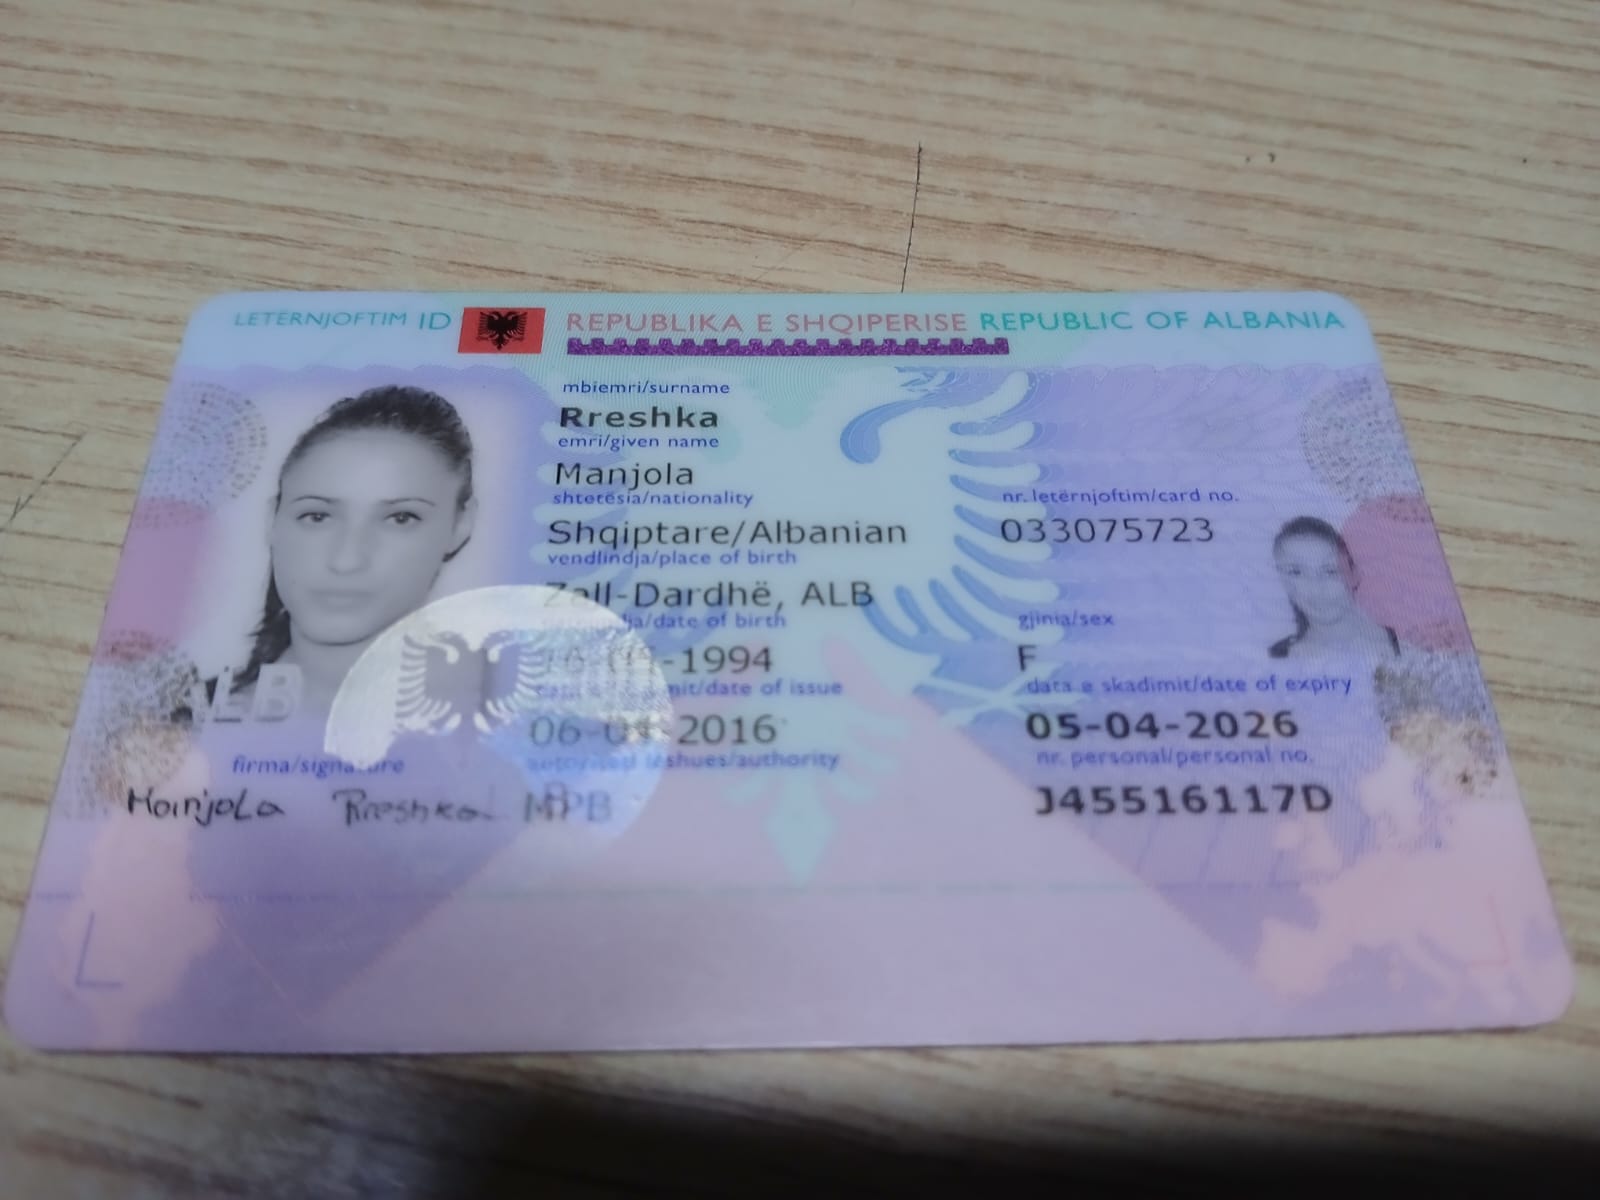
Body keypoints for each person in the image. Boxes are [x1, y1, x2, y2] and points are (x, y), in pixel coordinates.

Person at [221, 385, 477, 715]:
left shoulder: (507, 725)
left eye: (400, 518)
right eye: (317, 516)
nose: (346, 561)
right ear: (273, 519)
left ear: (460, 524)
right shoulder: (178, 722)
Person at [1268, 516, 1398, 661]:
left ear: (1355, 574)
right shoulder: (1276, 658)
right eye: (1296, 572)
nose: (1316, 590)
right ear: (1281, 580)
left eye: (1330, 571)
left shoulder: (1406, 643)